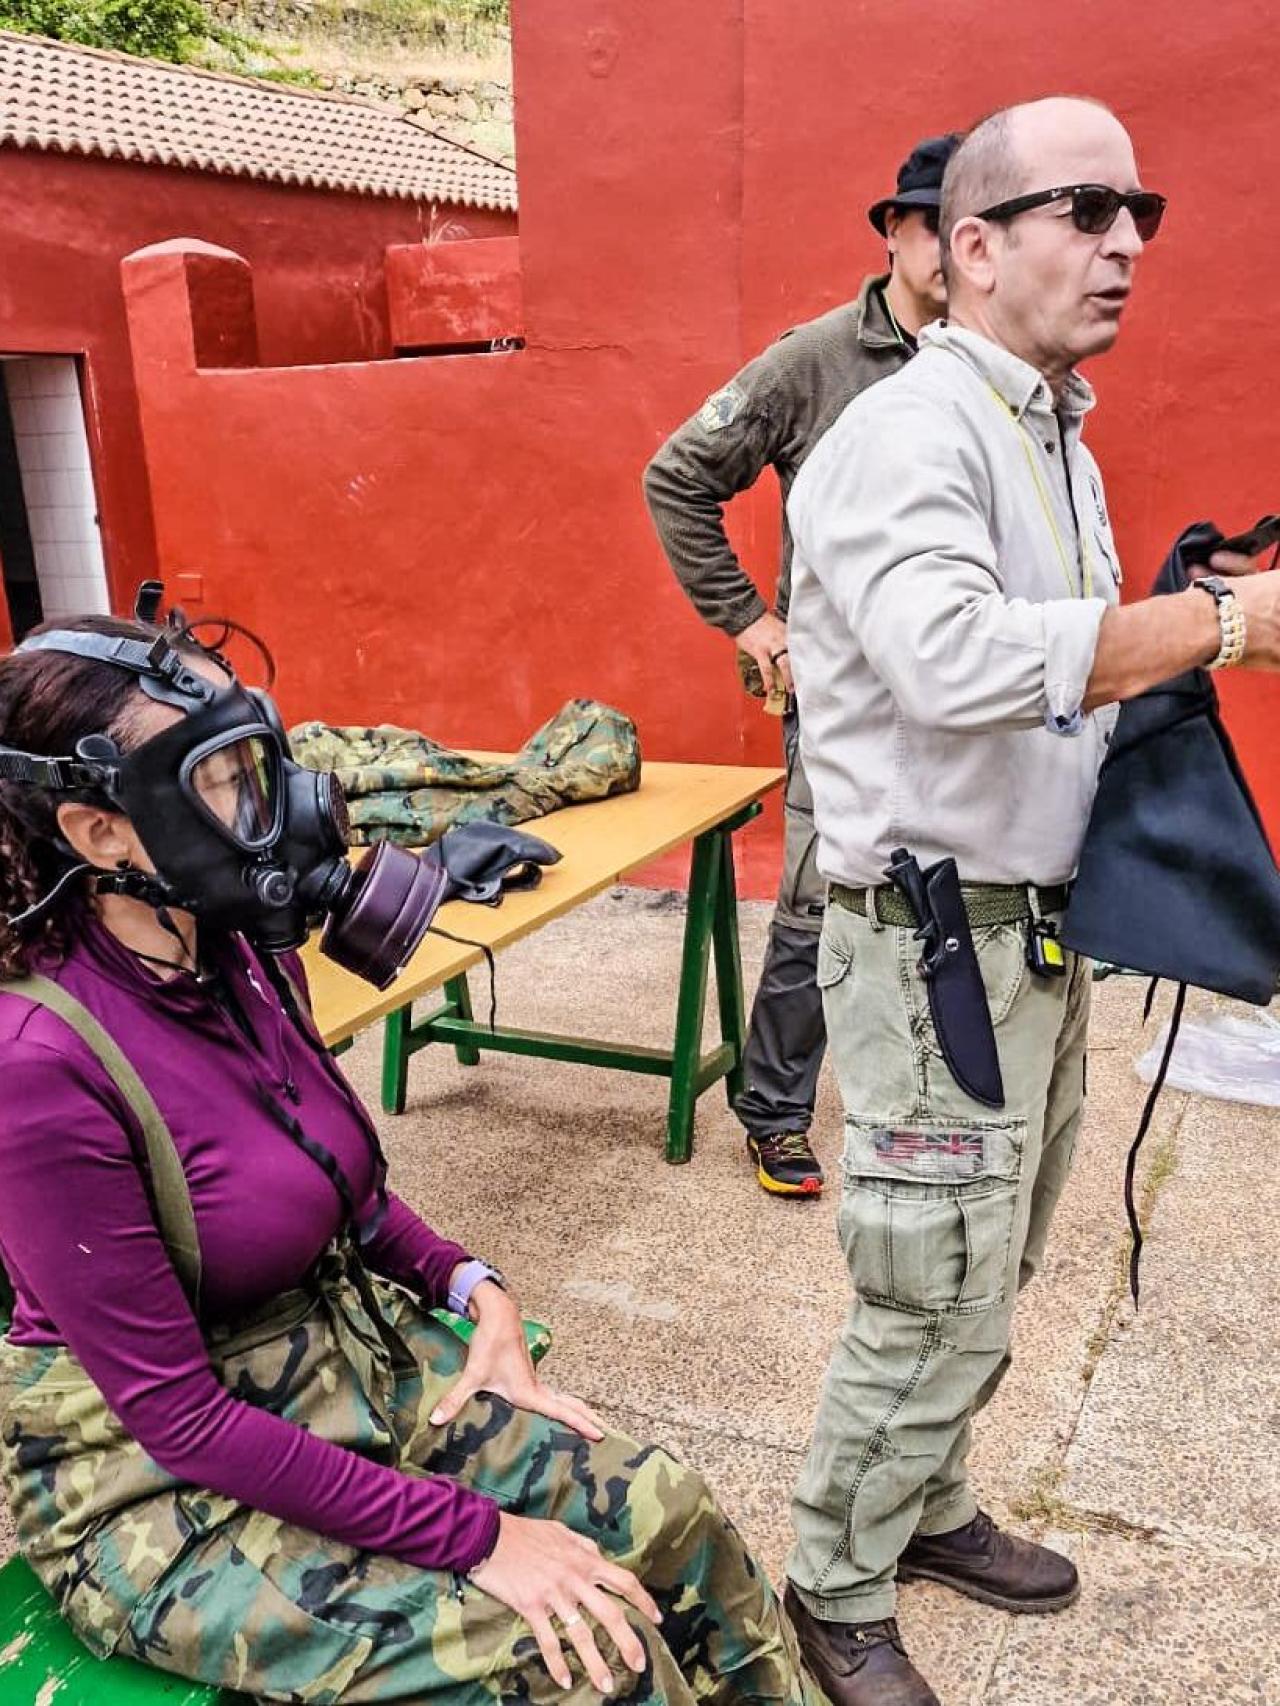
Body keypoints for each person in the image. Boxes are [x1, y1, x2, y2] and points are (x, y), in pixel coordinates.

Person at [0, 611, 823, 1706]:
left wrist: (469, 1283)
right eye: (226, 781)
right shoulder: (40, 1061)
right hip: (158, 1487)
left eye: (264, 761)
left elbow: (339, 1190)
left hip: (341, 1364)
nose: (278, 808)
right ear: (101, 832)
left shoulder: (236, 948)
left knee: (664, 1509)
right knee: (568, 1660)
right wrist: (480, 1536)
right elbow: (179, 1418)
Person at [780, 97, 1280, 1706]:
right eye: (1084, 208)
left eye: (1140, 208)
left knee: (990, 1265)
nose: (1127, 240)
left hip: (1028, 938)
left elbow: (1067, 673)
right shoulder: (904, 436)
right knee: (925, 1282)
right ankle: (833, 1582)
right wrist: (1218, 625)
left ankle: (924, 1506)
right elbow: (957, 663)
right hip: (929, 946)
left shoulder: (1045, 424)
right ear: (975, 246)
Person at [643, 133, 960, 1198]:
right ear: (892, 232)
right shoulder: (815, 359)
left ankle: (920, 1087)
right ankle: (773, 1109)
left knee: (947, 896)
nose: (957, 249)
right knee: (821, 900)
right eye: (934, 224)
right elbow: (677, 476)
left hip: (955, 687)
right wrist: (747, 618)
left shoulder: (984, 363)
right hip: (840, 696)